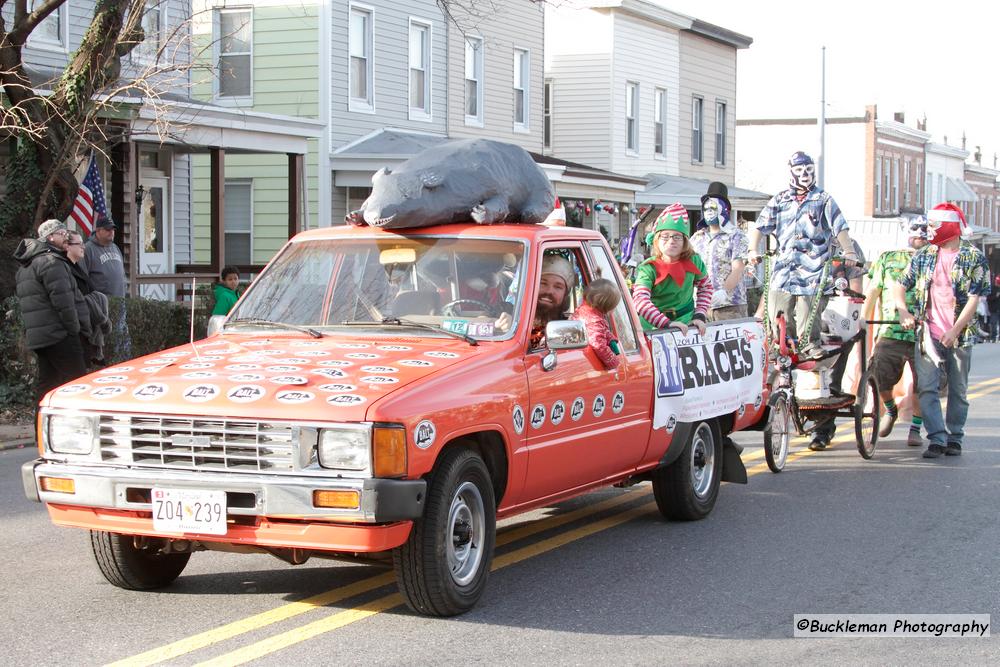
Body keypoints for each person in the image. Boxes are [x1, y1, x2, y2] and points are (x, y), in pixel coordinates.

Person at [893, 203, 991, 459]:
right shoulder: (924, 254)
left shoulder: (973, 257)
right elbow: (900, 285)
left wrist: (956, 329)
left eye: (935, 225)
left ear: (949, 227)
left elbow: (974, 298)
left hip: (961, 333)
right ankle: (936, 438)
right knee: (927, 388)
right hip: (929, 332)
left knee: (958, 389)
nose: (930, 231)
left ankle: (954, 437)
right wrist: (903, 310)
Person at [747, 151, 860, 356]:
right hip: (784, 269)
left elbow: (839, 226)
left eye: (808, 169)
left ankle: (809, 345)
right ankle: (780, 345)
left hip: (813, 269)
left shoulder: (823, 199)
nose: (805, 174)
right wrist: (752, 250)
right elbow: (759, 227)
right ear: (791, 172)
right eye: (799, 170)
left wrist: (849, 251)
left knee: (808, 313)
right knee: (777, 310)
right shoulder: (780, 200)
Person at [859, 217, 929, 449]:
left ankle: (916, 428)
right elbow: (873, 290)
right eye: (915, 229)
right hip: (891, 330)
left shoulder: (934, 258)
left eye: (925, 229)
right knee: (879, 376)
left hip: (925, 333)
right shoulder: (888, 257)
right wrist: (862, 318)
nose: (920, 233)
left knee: (923, 384)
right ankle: (890, 409)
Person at [13, 220, 88, 402]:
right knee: (78, 383)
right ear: (50, 237)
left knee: (47, 385)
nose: (66, 237)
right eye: (62, 233)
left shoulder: (26, 266)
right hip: (59, 334)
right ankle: (79, 428)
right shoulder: (51, 262)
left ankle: (41, 428)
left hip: (40, 338)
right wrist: (74, 330)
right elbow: (64, 302)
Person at [632, 203, 712, 337]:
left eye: (677, 236)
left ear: (685, 240)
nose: (671, 241)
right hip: (653, 328)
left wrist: (700, 314)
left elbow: (706, 287)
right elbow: (640, 299)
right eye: (665, 236)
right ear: (656, 240)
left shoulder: (695, 260)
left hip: (687, 325)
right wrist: (665, 323)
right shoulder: (648, 267)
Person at [690, 181, 749, 321]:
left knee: (731, 343)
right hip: (701, 307)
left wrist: (724, 291)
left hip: (730, 306)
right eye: (707, 208)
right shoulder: (697, 238)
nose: (709, 211)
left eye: (713, 207)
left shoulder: (736, 235)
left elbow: (738, 268)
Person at [82, 217, 129, 360]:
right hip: (102, 304)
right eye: (107, 230)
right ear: (98, 230)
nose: (111, 232)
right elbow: (83, 277)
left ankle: (123, 360)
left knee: (121, 336)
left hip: (120, 301)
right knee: (106, 338)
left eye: (113, 230)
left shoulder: (115, 247)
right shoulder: (88, 249)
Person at [67, 230, 112, 365]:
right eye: (79, 243)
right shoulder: (65, 269)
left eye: (83, 243)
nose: (83, 246)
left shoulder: (78, 267)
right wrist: (102, 320)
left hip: (87, 329)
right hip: (77, 330)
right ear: (67, 246)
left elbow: (92, 294)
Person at [573, 278, 621, 370]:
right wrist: (613, 361)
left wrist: (609, 337)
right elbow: (598, 344)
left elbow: (599, 331)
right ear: (607, 307)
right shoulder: (595, 321)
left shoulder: (582, 311)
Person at [988, 275, 1000, 343]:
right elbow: (988, 298)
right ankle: (993, 337)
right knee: (993, 323)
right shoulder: (992, 289)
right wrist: (996, 296)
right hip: (994, 309)